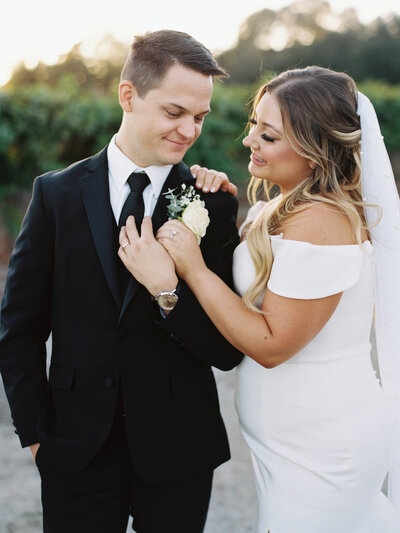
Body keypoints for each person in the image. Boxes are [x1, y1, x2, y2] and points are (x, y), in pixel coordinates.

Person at [120, 66, 400, 532]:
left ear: (315, 150)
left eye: (268, 136)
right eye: (255, 126)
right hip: (292, 445)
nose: (250, 141)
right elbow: (249, 291)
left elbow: (272, 343)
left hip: (323, 444)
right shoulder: (284, 205)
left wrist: (190, 266)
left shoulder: (322, 221)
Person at [0, 30, 243, 533]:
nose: (188, 131)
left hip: (180, 452)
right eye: (174, 112)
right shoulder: (55, 195)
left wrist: (166, 292)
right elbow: (19, 328)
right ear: (128, 95)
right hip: (74, 449)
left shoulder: (212, 202)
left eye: (199, 117)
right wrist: (37, 433)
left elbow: (226, 350)